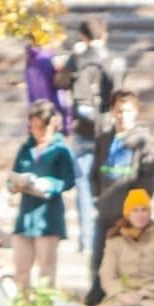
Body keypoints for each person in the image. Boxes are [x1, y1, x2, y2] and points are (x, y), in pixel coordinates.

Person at [54, 17, 123, 252]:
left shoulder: (77, 59)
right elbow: (121, 94)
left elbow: (60, 82)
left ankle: (86, 241)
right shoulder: (115, 60)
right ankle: (110, 235)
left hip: (83, 130)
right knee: (110, 184)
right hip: (107, 130)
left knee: (83, 185)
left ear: (83, 37)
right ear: (104, 35)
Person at [86, 90, 154, 306]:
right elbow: (94, 174)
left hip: (129, 216)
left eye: (127, 111)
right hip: (105, 210)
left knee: (126, 263)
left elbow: (149, 178)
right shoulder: (104, 139)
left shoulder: (142, 142)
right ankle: (96, 301)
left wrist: (135, 212)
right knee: (98, 258)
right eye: (118, 111)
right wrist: (98, 198)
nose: (122, 115)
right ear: (112, 112)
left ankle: (128, 303)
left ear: (135, 112)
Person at [8, 100, 75, 293]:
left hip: (48, 217)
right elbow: (13, 175)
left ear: (52, 124)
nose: (38, 131)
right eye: (34, 127)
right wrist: (16, 184)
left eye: (42, 127)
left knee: (46, 270)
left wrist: (48, 185)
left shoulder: (61, 150)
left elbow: (68, 180)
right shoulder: (25, 148)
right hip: (26, 216)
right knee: (21, 268)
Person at [93, 190, 154, 306]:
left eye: (144, 210)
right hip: (120, 299)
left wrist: (142, 294)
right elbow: (107, 275)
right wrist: (120, 293)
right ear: (128, 214)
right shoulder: (115, 241)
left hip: (152, 300)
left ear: (150, 213)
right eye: (135, 210)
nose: (140, 215)